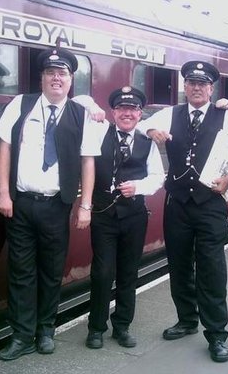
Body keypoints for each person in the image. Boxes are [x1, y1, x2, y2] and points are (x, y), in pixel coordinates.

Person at [136, 61, 228, 362]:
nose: (196, 88)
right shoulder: (170, 114)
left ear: (211, 88)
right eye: (191, 83)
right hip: (178, 205)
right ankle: (186, 319)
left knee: (211, 268)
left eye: (202, 84)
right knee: (180, 264)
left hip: (211, 202)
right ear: (184, 87)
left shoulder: (227, 115)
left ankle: (216, 334)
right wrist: (150, 129)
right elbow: (137, 123)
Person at [0, 47, 100, 361]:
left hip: (57, 206)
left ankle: (45, 331)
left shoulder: (81, 114)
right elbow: (4, 148)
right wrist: (3, 191)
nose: (57, 78)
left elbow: (88, 163)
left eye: (63, 73)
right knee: (21, 272)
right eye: (51, 72)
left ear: (70, 80)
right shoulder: (21, 105)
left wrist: (86, 206)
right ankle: (22, 335)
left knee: (51, 272)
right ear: (42, 77)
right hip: (21, 203)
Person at [80, 86, 165, 350]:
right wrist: (92, 106)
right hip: (104, 215)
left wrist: (138, 187)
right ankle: (96, 328)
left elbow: (157, 177)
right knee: (103, 272)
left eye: (132, 109)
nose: (127, 114)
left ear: (140, 114)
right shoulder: (98, 130)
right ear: (114, 111)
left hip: (134, 216)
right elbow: (76, 99)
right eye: (122, 109)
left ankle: (122, 326)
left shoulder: (146, 141)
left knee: (128, 273)